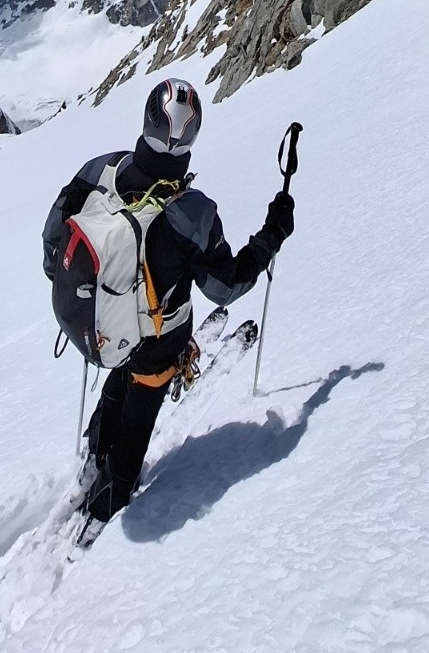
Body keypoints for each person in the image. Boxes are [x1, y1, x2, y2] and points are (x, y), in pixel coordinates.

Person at [47, 76, 295, 548]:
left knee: (120, 372)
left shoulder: (100, 171)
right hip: (160, 342)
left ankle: (94, 453)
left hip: (102, 324)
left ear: (145, 120)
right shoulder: (194, 214)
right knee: (140, 411)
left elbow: (51, 239)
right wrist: (272, 234)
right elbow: (226, 285)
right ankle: (111, 498)